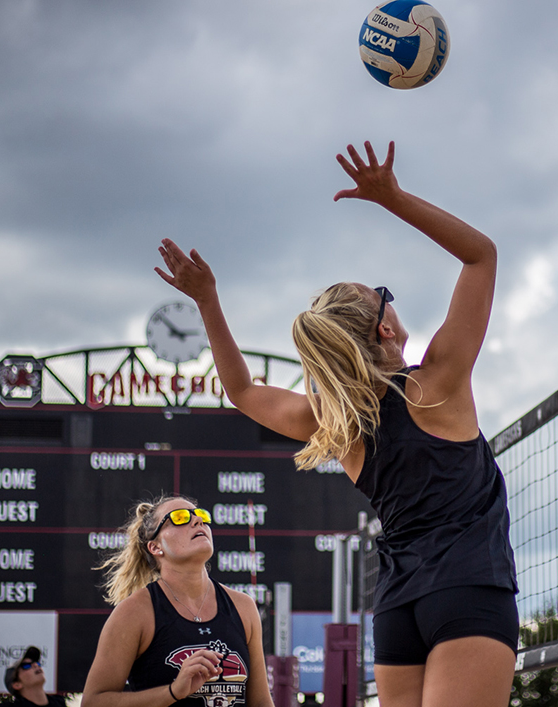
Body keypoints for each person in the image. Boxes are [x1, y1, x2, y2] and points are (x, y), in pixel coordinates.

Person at [155, 141, 518, 707]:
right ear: (385, 329)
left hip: (398, 606)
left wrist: (207, 300)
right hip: (466, 590)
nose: (390, 301)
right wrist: (393, 198)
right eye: (383, 297)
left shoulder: (339, 423)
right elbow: (482, 256)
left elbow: (242, 391)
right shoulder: (435, 385)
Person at [80, 495, 274, 707]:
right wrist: (173, 692)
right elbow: (93, 702)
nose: (197, 521)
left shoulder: (243, 606)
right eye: (180, 517)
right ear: (155, 547)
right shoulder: (135, 611)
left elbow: (261, 701)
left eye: (201, 515)